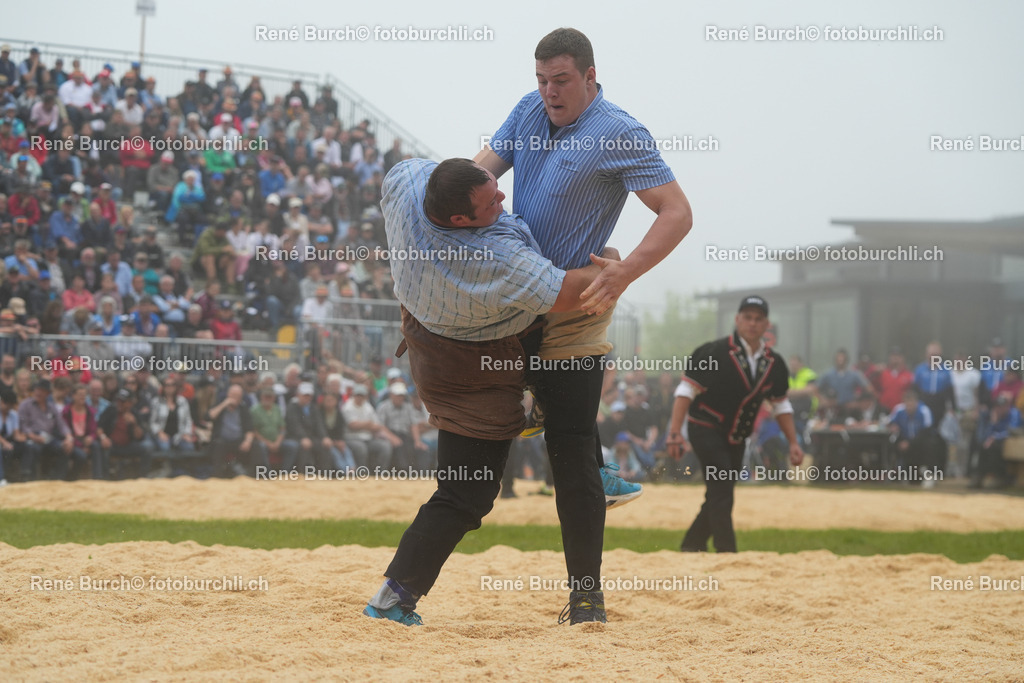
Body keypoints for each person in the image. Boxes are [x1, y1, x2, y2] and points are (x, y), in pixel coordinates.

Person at [473, 28, 692, 624]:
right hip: (515, 297)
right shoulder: (527, 110)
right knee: (527, 439)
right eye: (542, 80)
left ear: (591, 76)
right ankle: (594, 463)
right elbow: (478, 175)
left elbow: (677, 212)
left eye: (561, 80)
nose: (549, 91)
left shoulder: (618, 131)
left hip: (575, 305)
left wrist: (624, 276)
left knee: (567, 456)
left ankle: (587, 598)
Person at [362, 157, 619, 627]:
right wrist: (622, 266)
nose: (504, 197)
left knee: (462, 491)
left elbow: (418, 170)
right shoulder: (494, 257)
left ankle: (390, 597)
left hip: (430, 343)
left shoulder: (408, 183)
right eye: (491, 201)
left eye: (495, 187)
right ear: (460, 221)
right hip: (471, 371)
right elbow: (569, 292)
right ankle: (566, 430)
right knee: (468, 492)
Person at [666, 296, 804, 553]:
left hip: (737, 436)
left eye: (758, 319)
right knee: (722, 488)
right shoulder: (713, 352)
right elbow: (685, 392)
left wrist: (794, 442)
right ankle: (727, 552)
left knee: (722, 489)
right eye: (747, 317)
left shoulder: (774, 363)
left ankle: (692, 544)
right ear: (737, 319)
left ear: (766, 324)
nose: (752, 323)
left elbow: (781, 405)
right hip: (704, 428)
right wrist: (675, 433)